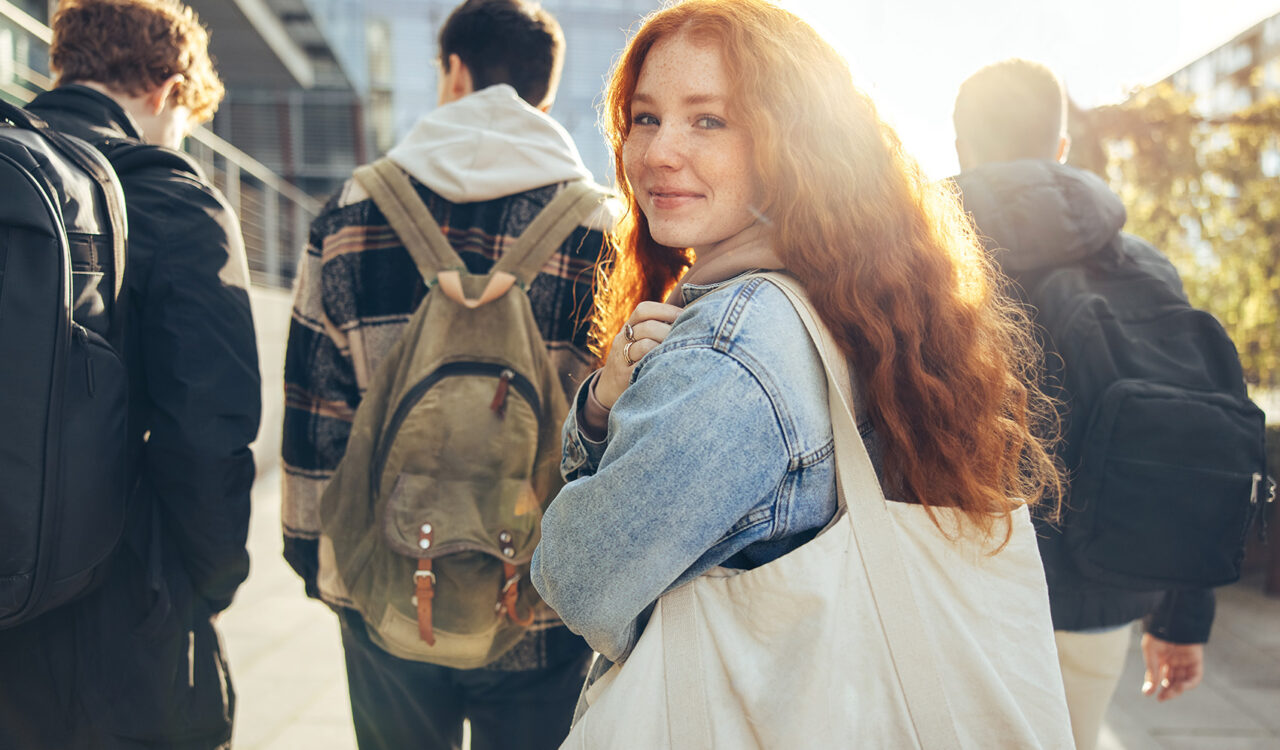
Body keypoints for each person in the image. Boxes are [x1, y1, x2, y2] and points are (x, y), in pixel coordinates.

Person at [530, 0, 1063, 738]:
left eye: (708, 120)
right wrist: (607, 403)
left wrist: (597, 420)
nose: (657, 153)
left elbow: (581, 579)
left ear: (793, 144)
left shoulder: (732, 348)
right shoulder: (849, 296)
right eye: (645, 118)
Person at [280, 1, 613, 747]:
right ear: (545, 95)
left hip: (386, 591)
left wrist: (323, 567)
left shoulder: (350, 213)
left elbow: (314, 413)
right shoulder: (602, 228)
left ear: (454, 72)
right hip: (539, 603)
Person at [0, 1, 261, 748]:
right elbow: (208, 432)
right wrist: (214, 584)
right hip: (117, 613)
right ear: (168, 88)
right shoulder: (173, 199)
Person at [951, 58, 1211, 750]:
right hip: (1101, 591)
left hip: (952, 588)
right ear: (1060, 151)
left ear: (960, 146)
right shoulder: (1147, 267)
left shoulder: (917, 262)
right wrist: (1181, 615)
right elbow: (1189, 443)